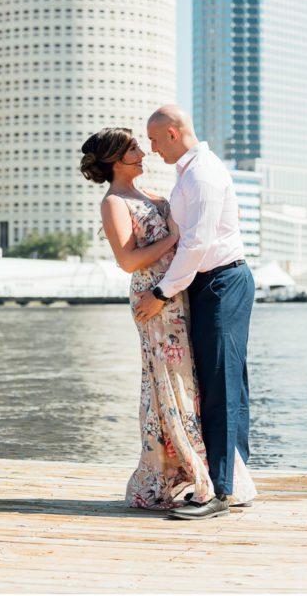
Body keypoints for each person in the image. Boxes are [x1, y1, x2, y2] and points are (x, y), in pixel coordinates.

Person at [82, 127, 221, 511]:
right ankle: (188, 471)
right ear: (114, 160)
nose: (143, 153)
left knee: (185, 381)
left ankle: (187, 470)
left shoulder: (154, 194)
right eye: (133, 149)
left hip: (176, 295)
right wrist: (175, 242)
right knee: (168, 383)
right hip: (151, 299)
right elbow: (127, 260)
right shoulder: (113, 202)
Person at [133, 105, 257, 520]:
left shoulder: (202, 173)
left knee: (222, 385)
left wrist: (162, 293)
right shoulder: (189, 172)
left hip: (222, 281)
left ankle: (220, 493)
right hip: (210, 284)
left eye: (153, 139)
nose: (150, 148)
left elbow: (197, 244)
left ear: (172, 132)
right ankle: (234, 484)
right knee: (223, 382)